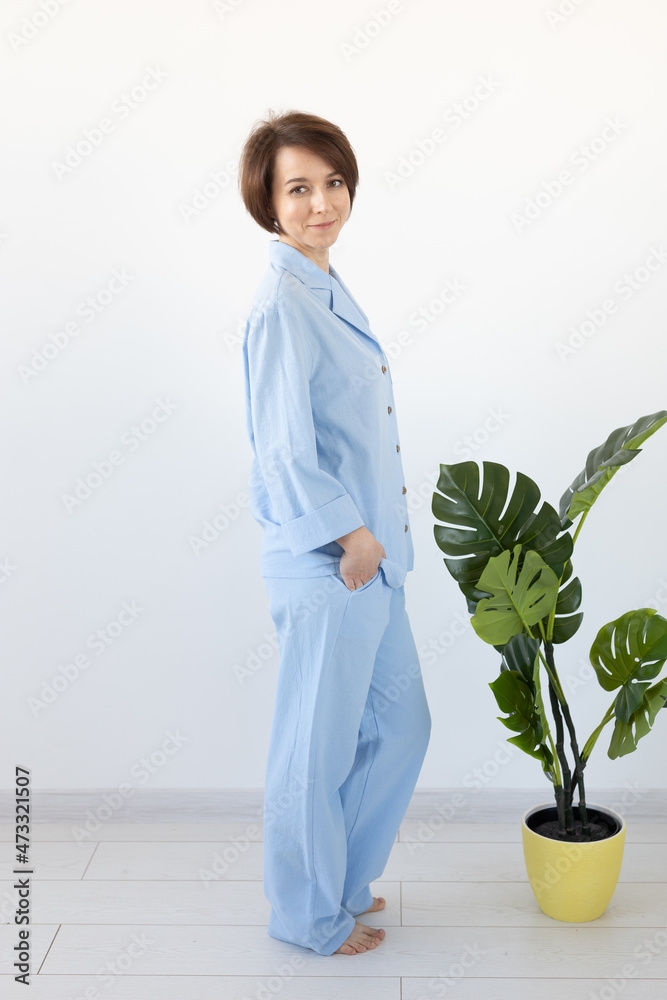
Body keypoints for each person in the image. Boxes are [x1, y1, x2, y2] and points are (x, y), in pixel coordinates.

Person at [238, 109, 431, 956]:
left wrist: (374, 544)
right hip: (332, 560)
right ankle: (306, 915)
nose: (322, 202)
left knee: (402, 726)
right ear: (269, 203)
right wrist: (352, 538)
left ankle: (343, 884)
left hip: (371, 560)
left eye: (333, 181)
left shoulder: (322, 280)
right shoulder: (282, 298)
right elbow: (282, 446)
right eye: (299, 188)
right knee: (312, 753)